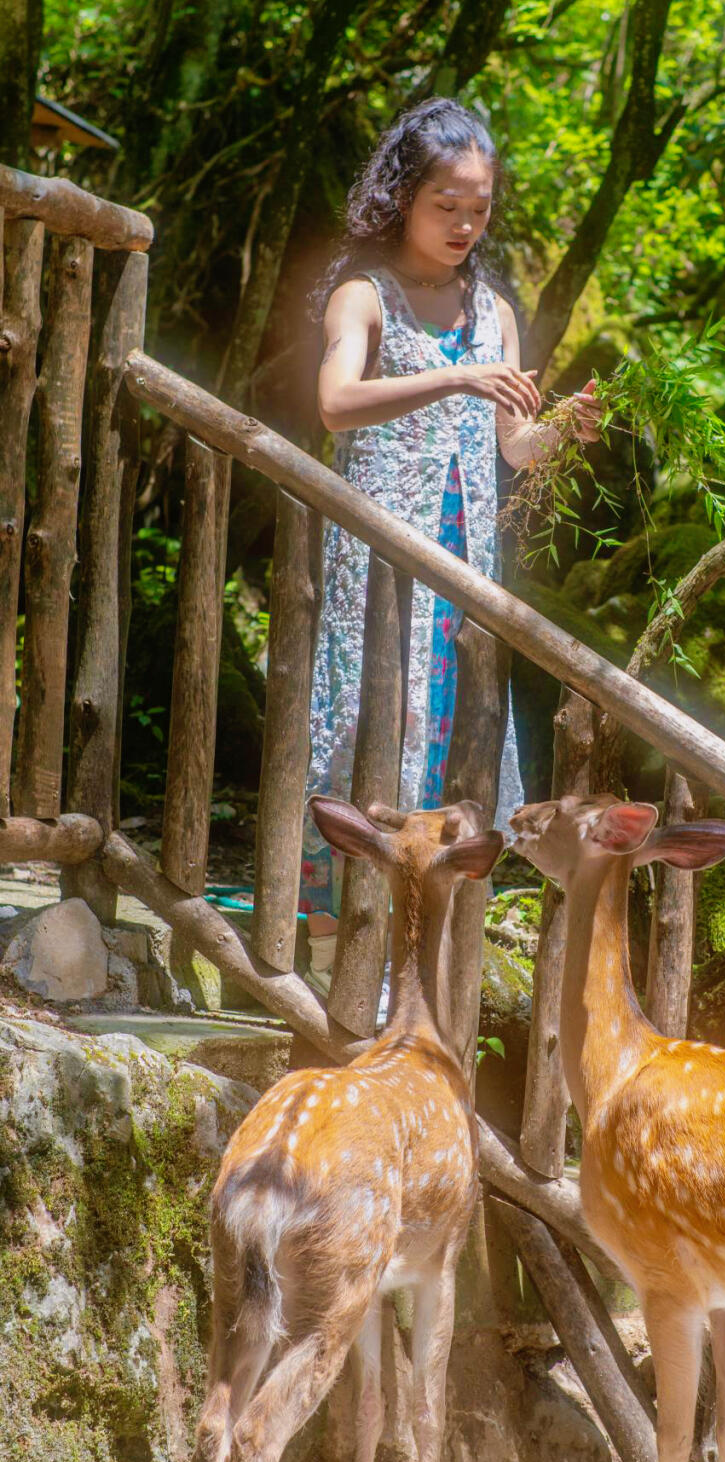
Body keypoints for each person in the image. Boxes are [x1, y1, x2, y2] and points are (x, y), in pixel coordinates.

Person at [301, 97, 600, 990]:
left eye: (480, 207)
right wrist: (455, 375)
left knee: (448, 736)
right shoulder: (366, 295)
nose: (466, 224)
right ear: (403, 197)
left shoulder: (495, 312)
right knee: (364, 726)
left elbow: (512, 447)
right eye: (448, 205)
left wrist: (569, 431)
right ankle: (330, 944)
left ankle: (413, 950)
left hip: (465, 556)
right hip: (380, 556)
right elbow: (333, 403)